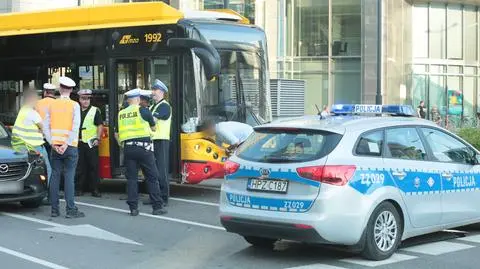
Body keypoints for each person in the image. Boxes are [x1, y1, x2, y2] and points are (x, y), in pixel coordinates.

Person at [117, 88, 167, 216]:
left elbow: (117, 133)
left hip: (128, 149)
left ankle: (133, 208)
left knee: (132, 179)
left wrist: (123, 145)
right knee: (152, 177)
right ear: (138, 99)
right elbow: (153, 127)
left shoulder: (121, 113)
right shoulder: (143, 111)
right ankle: (157, 207)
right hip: (144, 149)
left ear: (128, 100)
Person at [43, 76, 85, 218]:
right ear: (71, 90)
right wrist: (66, 144)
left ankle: (54, 210)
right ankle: (70, 209)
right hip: (70, 147)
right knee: (69, 176)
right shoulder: (75, 105)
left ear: (60, 88)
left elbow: (46, 127)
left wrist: (52, 144)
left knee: (55, 176)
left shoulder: (52, 105)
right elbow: (75, 127)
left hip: (55, 147)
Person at [12, 89, 52, 189]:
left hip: (22, 146)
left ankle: (30, 189)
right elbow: (44, 129)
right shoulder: (33, 113)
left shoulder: (23, 110)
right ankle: (48, 193)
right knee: (47, 169)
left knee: (28, 171)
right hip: (35, 147)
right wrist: (52, 144)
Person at [75, 89, 103, 197]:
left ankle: (95, 189)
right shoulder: (76, 110)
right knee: (80, 167)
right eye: (83, 99)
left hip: (91, 142)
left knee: (93, 166)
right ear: (79, 100)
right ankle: (79, 188)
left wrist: (98, 138)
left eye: (88, 99)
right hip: (79, 142)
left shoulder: (95, 110)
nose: (86, 101)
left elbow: (100, 125)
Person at [148, 79, 171, 206]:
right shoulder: (153, 106)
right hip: (152, 140)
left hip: (161, 140)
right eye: (153, 90)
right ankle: (154, 196)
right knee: (153, 170)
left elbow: (152, 121)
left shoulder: (164, 106)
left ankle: (163, 197)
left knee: (161, 170)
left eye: (155, 90)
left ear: (162, 92)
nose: (153, 92)